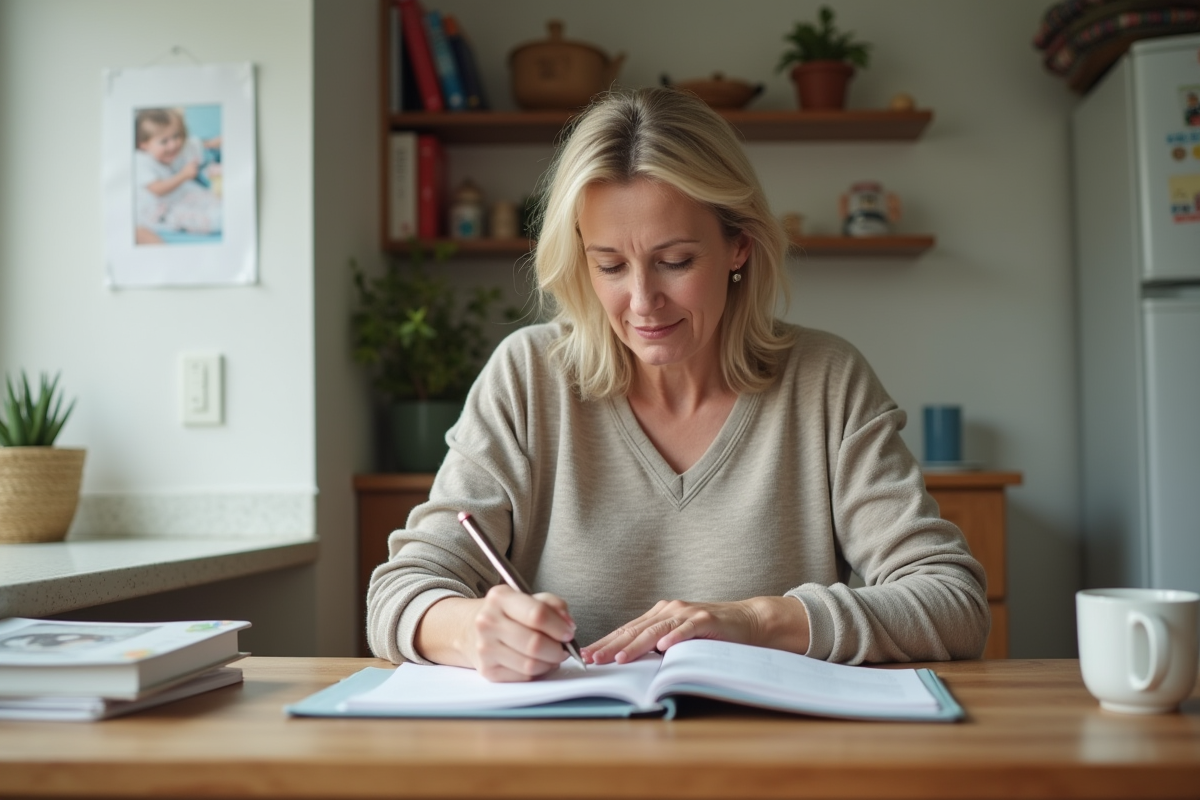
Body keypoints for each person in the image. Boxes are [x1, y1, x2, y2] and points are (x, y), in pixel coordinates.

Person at [366, 87, 989, 682]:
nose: (642, 302)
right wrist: (474, 628)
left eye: (675, 261)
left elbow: (952, 601)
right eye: (609, 265)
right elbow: (401, 590)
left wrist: (757, 618)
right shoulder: (528, 376)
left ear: (739, 245)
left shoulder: (826, 382)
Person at [133, 108, 222, 241]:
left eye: (177, 136)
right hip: (160, 208)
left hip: (181, 194)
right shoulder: (140, 161)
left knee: (213, 200)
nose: (173, 144)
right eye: (164, 141)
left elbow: (202, 145)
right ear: (144, 145)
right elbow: (157, 189)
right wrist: (183, 175)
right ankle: (217, 220)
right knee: (198, 218)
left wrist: (217, 142)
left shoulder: (179, 148)